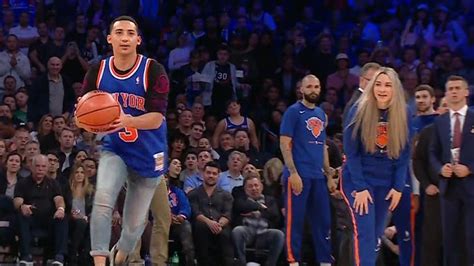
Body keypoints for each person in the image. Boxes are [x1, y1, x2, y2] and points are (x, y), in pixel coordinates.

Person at [76, 16, 169, 266]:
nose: (125, 37)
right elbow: (82, 114)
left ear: (138, 39)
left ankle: (123, 252)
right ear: (110, 39)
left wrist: (128, 120)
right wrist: (83, 117)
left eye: (130, 33)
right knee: (103, 199)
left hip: (149, 153)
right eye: (119, 32)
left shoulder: (153, 70)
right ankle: (99, 260)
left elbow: (157, 119)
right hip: (115, 147)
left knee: (133, 226)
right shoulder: (98, 70)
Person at [341, 67, 412, 266]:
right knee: (365, 233)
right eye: (378, 84)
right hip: (359, 180)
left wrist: (398, 187)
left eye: (388, 85)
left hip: (387, 180)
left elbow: (404, 153)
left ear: (395, 89)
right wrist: (360, 187)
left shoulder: (404, 112)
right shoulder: (359, 109)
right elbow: (351, 153)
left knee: (376, 235)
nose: (382, 89)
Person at [279, 74, 332, 266]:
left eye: (317, 86)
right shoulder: (293, 112)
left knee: (323, 222)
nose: (314, 90)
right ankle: (293, 261)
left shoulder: (321, 114)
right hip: (299, 175)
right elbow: (285, 143)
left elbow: (323, 145)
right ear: (301, 89)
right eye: (309, 86)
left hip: (318, 176)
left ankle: (325, 261)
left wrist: (328, 174)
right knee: (295, 223)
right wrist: (293, 172)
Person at [429, 75, 474, 266]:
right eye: (450, 89)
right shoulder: (440, 122)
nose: (454, 92)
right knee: (450, 239)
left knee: (471, 236)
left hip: (471, 187)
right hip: (448, 188)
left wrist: (470, 169)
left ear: (466, 92)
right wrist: (440, 168)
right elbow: (432, 151)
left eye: (457, 88)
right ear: (446, 94)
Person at [13, 154, 68, 265]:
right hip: (30, 218)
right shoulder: (22, 183)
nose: (40, 169)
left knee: (63, 217)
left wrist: (60, 209)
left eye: (43, 166)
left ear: (47, 168)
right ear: (32, 167)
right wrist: (22, 206)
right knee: (21, 216)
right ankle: (26, 256)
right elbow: (17, 200)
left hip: (48, 219)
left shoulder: (53, 183)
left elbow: (59, 199)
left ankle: (59, 257)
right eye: (37, 166)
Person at [188, 161, 234, 266]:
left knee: (225, 233)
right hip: (201, 225)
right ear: (203, 174)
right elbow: (195, 212)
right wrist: (209, 222)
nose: (211, 176)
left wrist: (219, 224)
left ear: (219, 176)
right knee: (201, 227)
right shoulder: (193, 194)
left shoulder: (226, 195)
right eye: (208, 173)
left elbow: (227, 214)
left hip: (220, 225)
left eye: (214, 174)